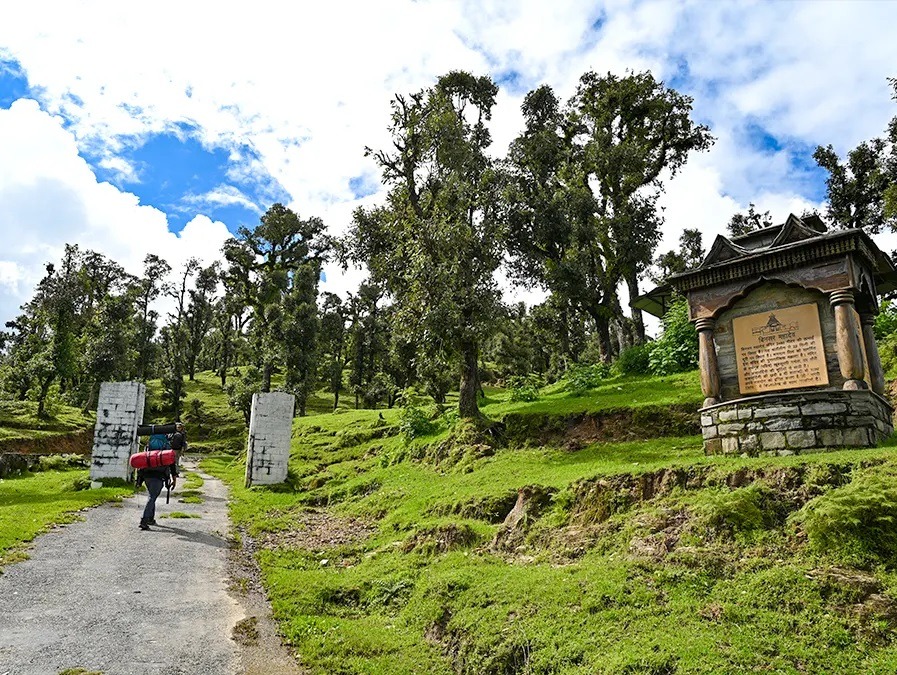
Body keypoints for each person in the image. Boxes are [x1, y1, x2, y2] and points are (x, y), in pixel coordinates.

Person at [136, 436, 178, 531]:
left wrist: (139, 479)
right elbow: (172, 465)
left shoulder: (148, 448)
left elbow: (142, 462)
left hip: (146, 476)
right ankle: (144, 520)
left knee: (151, 495)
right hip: (158, 476)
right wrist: (174, 479)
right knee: (152, 497)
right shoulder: (166, 450)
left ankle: (150, 518)